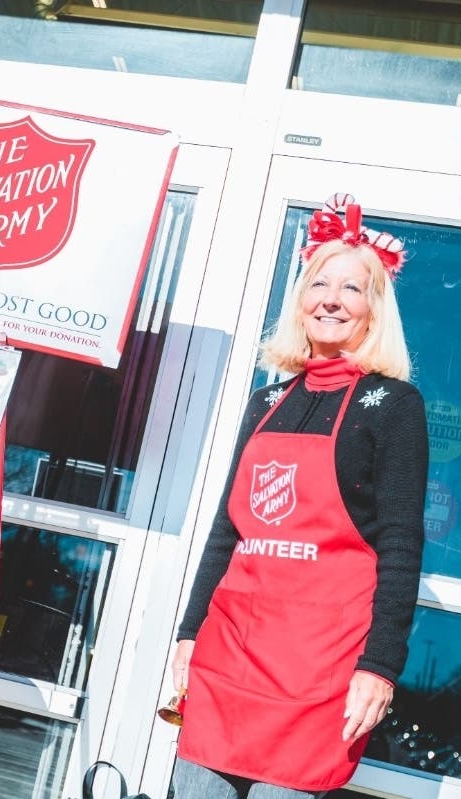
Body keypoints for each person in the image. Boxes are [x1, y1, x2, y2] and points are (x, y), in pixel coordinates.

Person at [169, 194, 428, 798]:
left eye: (352, 288)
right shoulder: (267, 402)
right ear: (302, 300)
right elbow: (226, 532)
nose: (331, 299)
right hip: (229, 652)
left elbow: (400, 545)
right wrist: (190, 630)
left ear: (374, 311)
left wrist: (380, 666)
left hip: (321, 669)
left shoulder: (393, 407)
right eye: (319, 283)